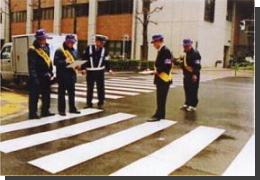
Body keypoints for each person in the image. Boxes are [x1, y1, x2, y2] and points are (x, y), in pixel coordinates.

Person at [27, 29, 55, 119]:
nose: (44, 40)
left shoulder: (46, 48)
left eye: (44, 39)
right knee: (34, 96)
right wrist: (35, 78)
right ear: (38, 39)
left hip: (46, 76)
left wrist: (50, 72)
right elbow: (32, 66)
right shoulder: (32, 50)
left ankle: (45, 111)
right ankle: (33, 113)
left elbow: (48, 62)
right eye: (43, 39)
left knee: (46, 95)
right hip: (37, 77)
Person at [81, 34, 111, 109]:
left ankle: (100, 102)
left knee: (100, 87)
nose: (102, 44)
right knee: (90, 88)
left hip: (100, 71)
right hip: (90, 71)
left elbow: (106, 61)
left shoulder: (104, 50)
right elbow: (84, 59)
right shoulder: (89, 48)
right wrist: (83, 68)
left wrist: (109, 69)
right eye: (100, 42)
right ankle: (89, 103)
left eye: (103, 43)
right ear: (96, 42)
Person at [148, 34, 173, 122]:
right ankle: (160, 114)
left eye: (154, 42)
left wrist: (157, 71)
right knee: (160, 97)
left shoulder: (165, 51)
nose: (153, 45)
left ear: (159, 41)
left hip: (164, 78)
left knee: (161, 97)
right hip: (161, 78)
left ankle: (158, 115)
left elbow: (168, 65)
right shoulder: (161, 50)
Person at [54, 34, 81, 116]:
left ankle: (72, 108)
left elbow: (77, 59)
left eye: (73, 42)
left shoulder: (74, 50)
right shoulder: (60, 50)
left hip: (71, 75)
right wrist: (65, 61)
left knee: (71, 93)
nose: (71, 44)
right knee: (62, 93)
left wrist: (79, 65)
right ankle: (61, 110)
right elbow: (55, 62)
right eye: (70, 42)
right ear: (66, 41)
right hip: (62, 75)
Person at [180, 39, 201, 112]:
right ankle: (187, 103)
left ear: (190, 45)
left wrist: (195, 74)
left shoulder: (195, 53)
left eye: (187, 46)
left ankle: (193, 105)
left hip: (193, 74)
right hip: (186, 74)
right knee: (187, 89)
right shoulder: (185, 53)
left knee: (193, 90)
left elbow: (197, 65)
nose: (185, 47)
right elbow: (183, 63)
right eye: (184, 46)